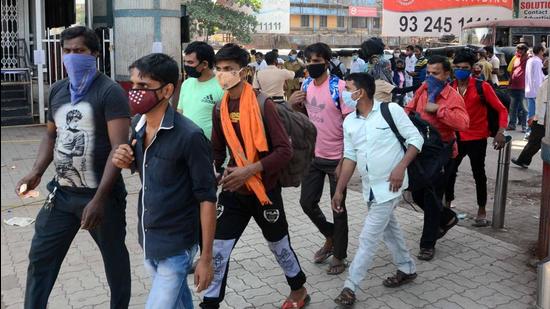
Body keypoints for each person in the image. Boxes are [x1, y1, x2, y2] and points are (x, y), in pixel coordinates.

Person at [17, 26, 131, 309]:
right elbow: (50, 135)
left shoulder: (110, 92)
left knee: (114, 260)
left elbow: (119, 149)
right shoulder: (57, 89)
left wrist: (100, 199)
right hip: (62, 195)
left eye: (79, 51)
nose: (72, 57)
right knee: (40, 257)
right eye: (66, 51)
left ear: (94, 53)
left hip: (100, 197)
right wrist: (36, 171)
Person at [201, 43, 309, 309]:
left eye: (229, 69)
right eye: (219, 69)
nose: (223, 74)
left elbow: (284, 151)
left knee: (279, 245)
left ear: (245, 72)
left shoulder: (264, 105)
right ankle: (210, 303)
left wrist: (249, 170)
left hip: (264, 190)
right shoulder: (219, 108)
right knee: (218, 250)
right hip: (233, 191)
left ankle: (299, 291)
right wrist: (215, 173)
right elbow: (217, 150)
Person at [112, 53, 216, 308]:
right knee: (179, 302)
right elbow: (147, 168)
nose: (135, 92)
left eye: (144, 86)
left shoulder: (190, 136)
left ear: (167, 90)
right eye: (133, 85)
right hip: (149, 238)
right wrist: (126, 160)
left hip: (177, 245)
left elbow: (207, 198)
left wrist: (206, 258)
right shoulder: (138, 124)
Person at [332, 73, 423, 307]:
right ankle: (407, 267)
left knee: (368, 237)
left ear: (360, 92)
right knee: (388, 230)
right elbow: (350, 157)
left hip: (391, 186)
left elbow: (415, 139)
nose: (343, 93)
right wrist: (339, 190)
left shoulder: (390, 110)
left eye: (347, 88)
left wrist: (401, 167)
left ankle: (350, 286)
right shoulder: (349, 122)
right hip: (370, 188)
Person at [288, 42, 354, 275]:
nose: (312, 65)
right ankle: (331, 236)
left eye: (317, 61)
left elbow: (350, 125)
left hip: (337, 158)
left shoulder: (340, 87)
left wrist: (346, 160)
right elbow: (305, 118)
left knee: (338, 207)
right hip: (313, 157)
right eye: (309, 61)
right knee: (306, 203)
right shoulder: (305, 84)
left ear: (327, 61)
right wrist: (294, 105)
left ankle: (339, 255)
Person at [405, 55, 470, 261]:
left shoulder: (452, 96)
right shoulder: (423, 89)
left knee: (432, 199)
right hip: (421, 152)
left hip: (442, 154)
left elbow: (463, 123)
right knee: (417, 195)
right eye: (429, 73)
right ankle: (447, 218)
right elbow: (410, 109)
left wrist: (439, 110)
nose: (430, 77)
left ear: (447, 74)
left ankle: (427, 244)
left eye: (436, 73)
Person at [445, 49, 508, 227]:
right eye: (457, 67)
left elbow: (501, 109)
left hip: (477, 138)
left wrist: (500, 131)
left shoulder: (483, 87)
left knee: (478, 174)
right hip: (455, 137)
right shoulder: (449, 87)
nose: (460, 71)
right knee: (449, 172)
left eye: (464, 67)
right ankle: (446, 207)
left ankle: (482, 210)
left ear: (472, 68)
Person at [178, 41, 224, 140]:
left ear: (204, 64)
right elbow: (180, 113)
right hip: (187, 146)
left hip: (211, 149)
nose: (186, 66)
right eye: (185, 61)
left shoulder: (222, 86)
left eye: (190, 62)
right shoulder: (186, 84)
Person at [512, 75, 548, 168]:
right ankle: (523, 160)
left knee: (534, 141)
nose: (545, 63)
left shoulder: (547, 82)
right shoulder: (546, 79)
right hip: (541, 117)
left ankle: (522, 160)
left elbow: (545, 102)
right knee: (535, 141)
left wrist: (541, 119)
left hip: (543, 118)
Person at [524, 44, 546, 138]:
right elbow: (537, 78)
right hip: (536, 92)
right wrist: (540, 93)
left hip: (529, 91)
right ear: (541, 51)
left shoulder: (530, 60)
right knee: (536, 115)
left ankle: (528, 132)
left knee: (531, 113)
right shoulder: (537, 62)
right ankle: (531, 133)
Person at [507, 43, 529, 132]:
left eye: (520, 50)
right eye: (517, 50)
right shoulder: (516, 58)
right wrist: (510, 82)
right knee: (512, 107)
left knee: (524, 108)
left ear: (524, 50)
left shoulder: (528, 59)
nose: (518, 51)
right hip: (513, 86)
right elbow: (512, 70)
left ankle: (525, 127)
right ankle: (512, 125)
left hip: (523, 87)